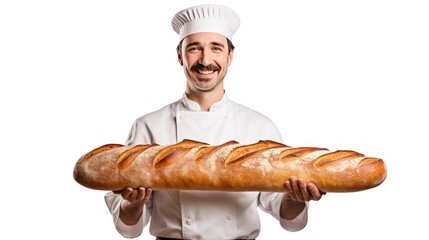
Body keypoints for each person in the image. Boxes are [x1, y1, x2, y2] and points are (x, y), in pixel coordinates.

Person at [104, 4, 324, 240]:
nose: (205, 60)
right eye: (194, 49)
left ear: (230, 56)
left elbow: (288, 219)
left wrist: (293, 198)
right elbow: (129, 228)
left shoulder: (260, 126)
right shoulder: (148, 126)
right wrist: (133, 204)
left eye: (216, 48)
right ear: (180, 56)